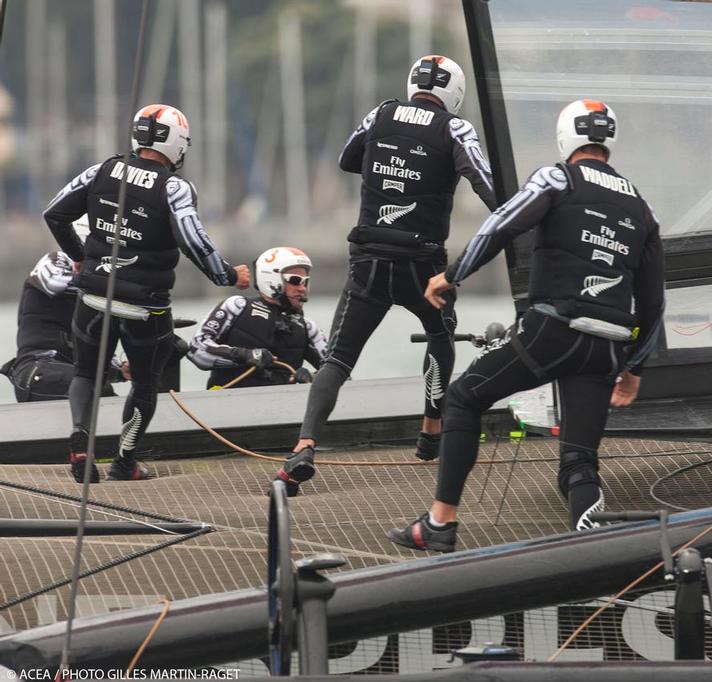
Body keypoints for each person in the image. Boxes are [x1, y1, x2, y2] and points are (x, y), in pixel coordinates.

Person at [388, 99, 665, 552]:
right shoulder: (642, 205)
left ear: (565, 138)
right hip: (606, 350)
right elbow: (654, 300)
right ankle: (594, 555)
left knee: (461, 399)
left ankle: (439, 524)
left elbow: (500, 226)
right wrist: (634, 367)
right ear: (608, 142)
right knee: (579, 462)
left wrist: (452, 274)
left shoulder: (556, 177)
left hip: (551, 331)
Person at [275, 55, 496, 496]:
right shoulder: (456, 129)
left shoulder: (382, 113)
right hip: (423, 264)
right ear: (455, 93)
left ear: (412, 82)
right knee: (440, 336)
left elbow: (347, 159)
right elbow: (486, 184)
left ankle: (303, 447)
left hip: (368, 261)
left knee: (338, 359)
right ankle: (431, 432)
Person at [43, 103, 249, 484]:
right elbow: (194, 241)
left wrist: (78, 258)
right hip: (146, 309)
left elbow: (54, 213)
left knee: (86, 373)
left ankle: (80, 442)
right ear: (176, 144)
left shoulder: (100, 170)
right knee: (144, 383)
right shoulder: (175, 187)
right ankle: (124, 462)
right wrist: (227, 275)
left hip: (91, 297)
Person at [1, 219, 129, 401]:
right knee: (99, 392)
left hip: (66, 375)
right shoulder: (56, 260)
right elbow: (54, 280)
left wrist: (122, 371)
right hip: (37, 369)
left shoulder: (96, 291)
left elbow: (93, 361)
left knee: (117, 404)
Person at [188, 247, 327, 388]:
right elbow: (197, 350)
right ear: (271, 279)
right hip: (226, 403)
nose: (302, 288)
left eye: (305, 282)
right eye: (295, 280)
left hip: (282, 406)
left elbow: (339, 371)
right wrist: (244, 355)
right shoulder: (237, 306)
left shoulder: (308, 327)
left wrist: (313, 378)